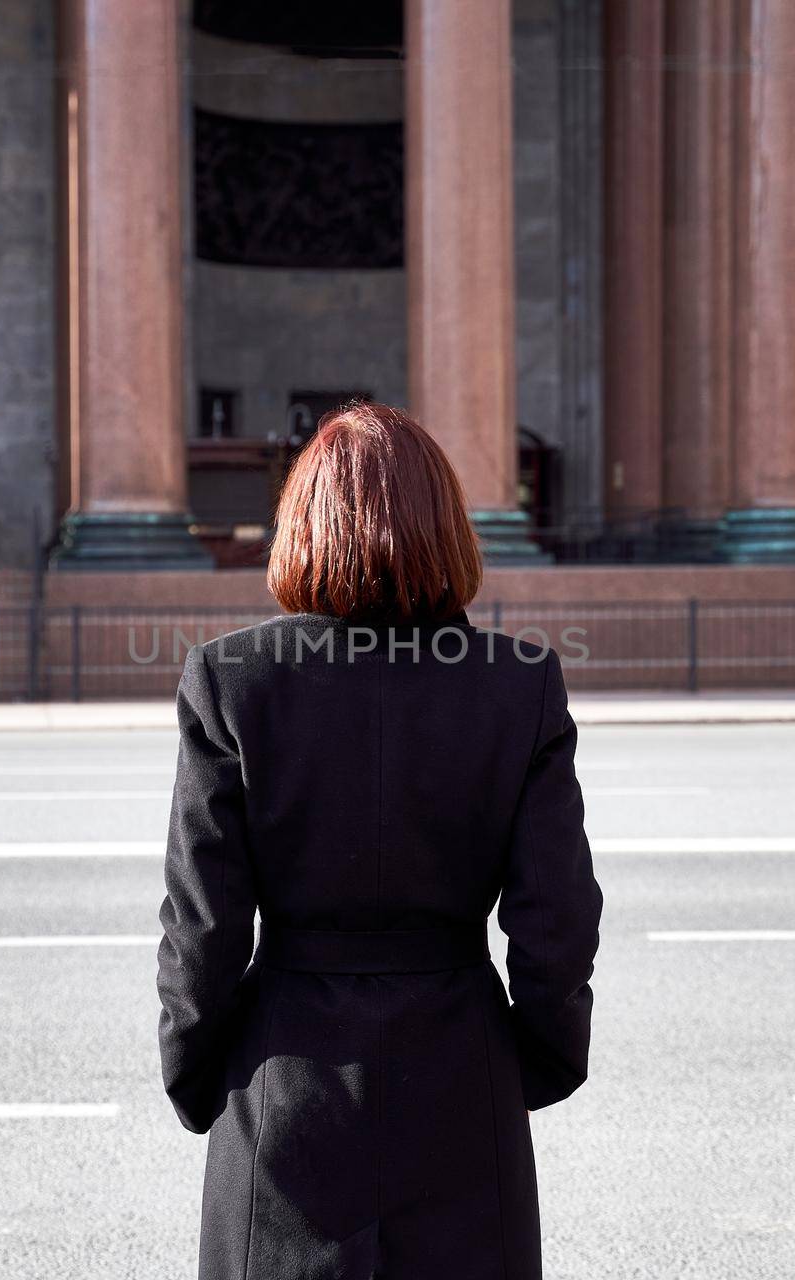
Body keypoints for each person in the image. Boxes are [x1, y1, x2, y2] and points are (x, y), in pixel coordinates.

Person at [156, 401, 603, 1280]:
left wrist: (196, 1071)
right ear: (447, 526)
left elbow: (201, 921)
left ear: (304, 522)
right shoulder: (518, 685)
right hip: (461, 1074)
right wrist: (532, 1067)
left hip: (284, 1082)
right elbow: (559, 918)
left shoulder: (233, 679)